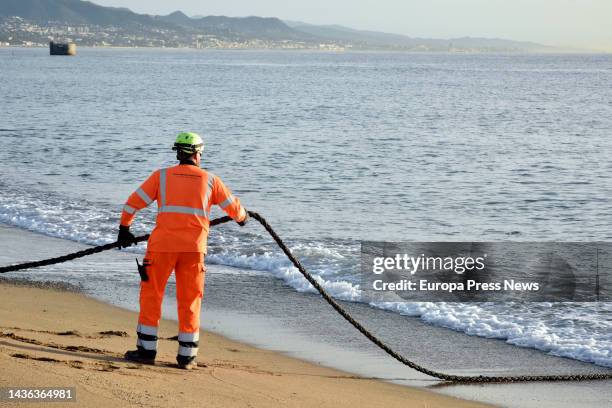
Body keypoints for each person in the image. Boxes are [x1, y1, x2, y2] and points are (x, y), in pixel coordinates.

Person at [117, 132, 248, 369]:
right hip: (194, 251)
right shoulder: (211, 180)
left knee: (151, 296)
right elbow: (236, 210)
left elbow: (132, 203)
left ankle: (146, 351)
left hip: (161, 248)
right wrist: (243, 218)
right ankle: (186, 357)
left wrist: (124, 228)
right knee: (190, 300)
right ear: (199, 153)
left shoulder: (161, 177)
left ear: (177, 152)